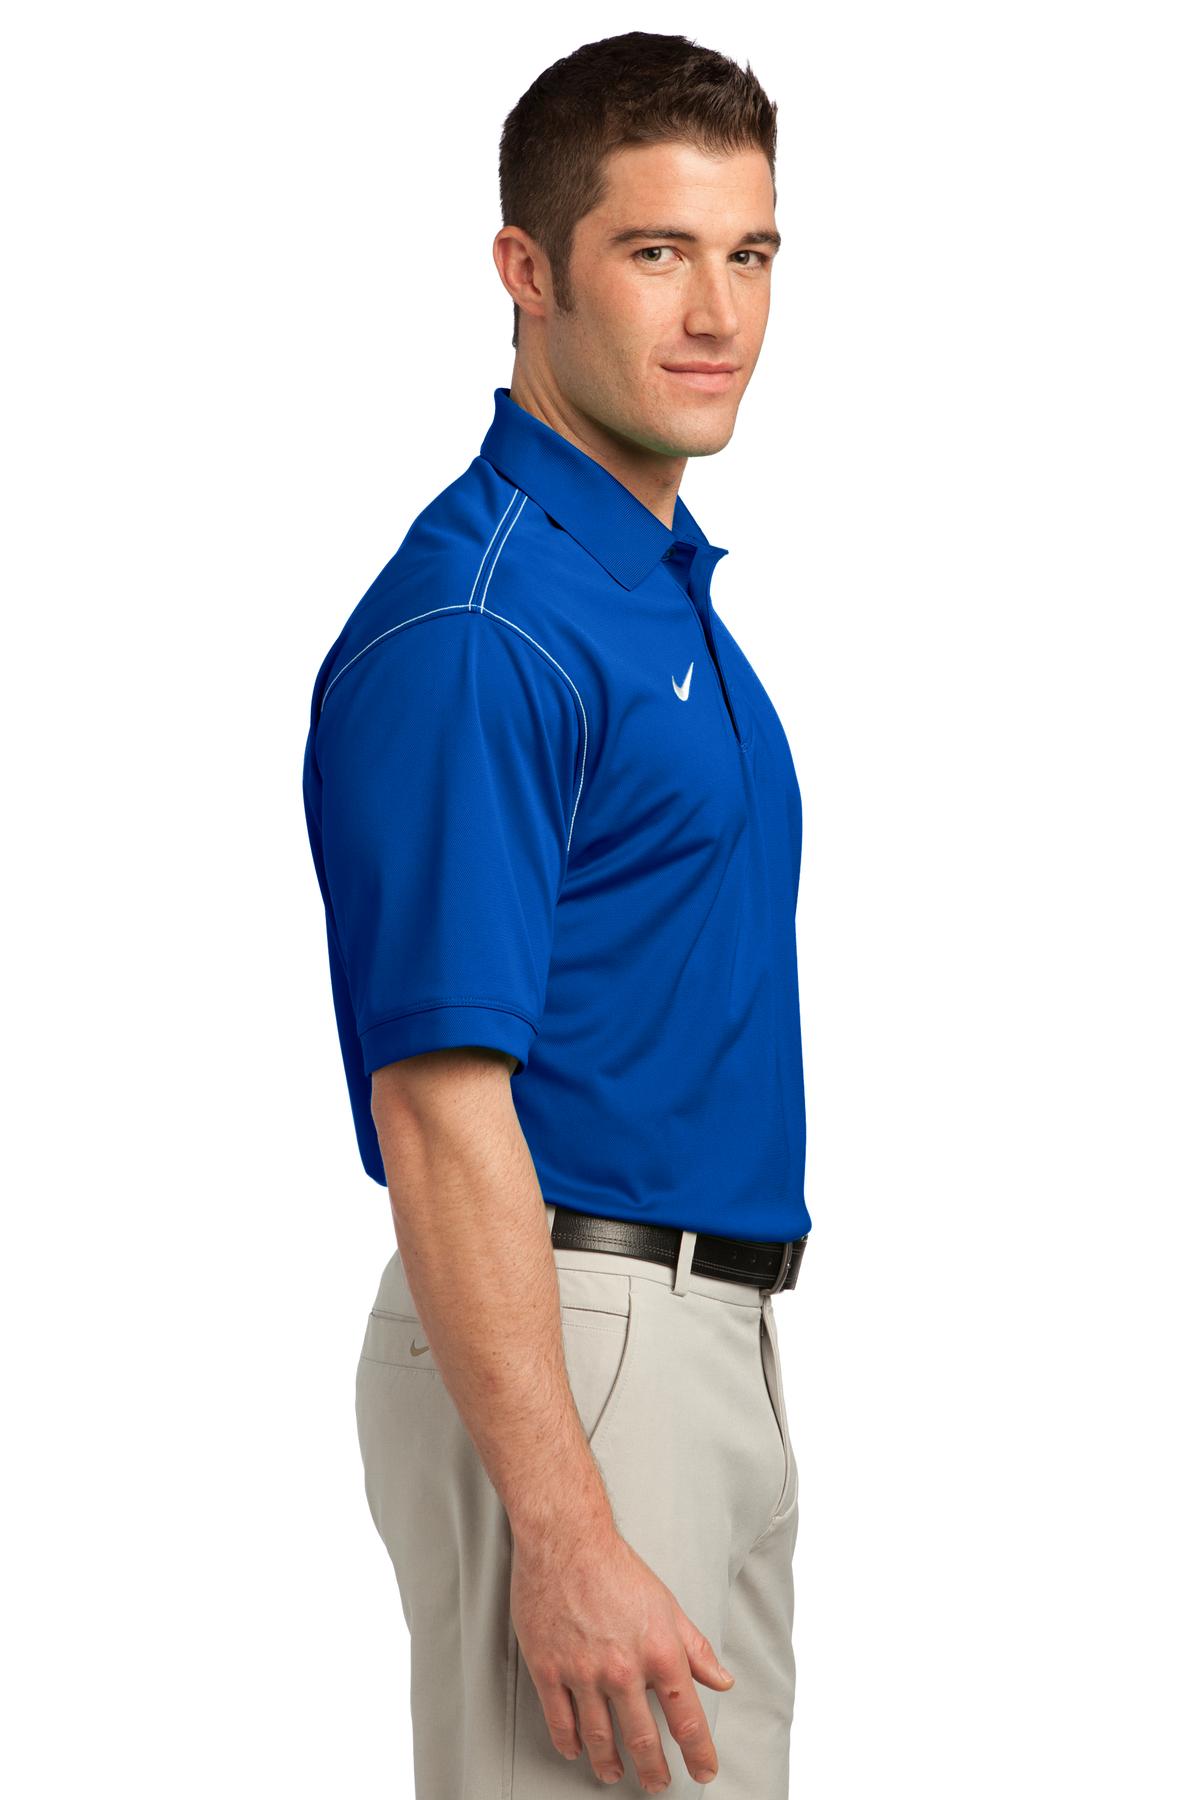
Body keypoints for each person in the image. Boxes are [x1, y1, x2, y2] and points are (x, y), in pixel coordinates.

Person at [301, 30, 812, 1797]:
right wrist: (567, 1524)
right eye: (656, 252)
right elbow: (438, 1103)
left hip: (698, 1339)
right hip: (577, 1341)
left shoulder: (646, 591)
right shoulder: (485, 630)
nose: (717, 314)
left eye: (750, 254)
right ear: (528, 270)